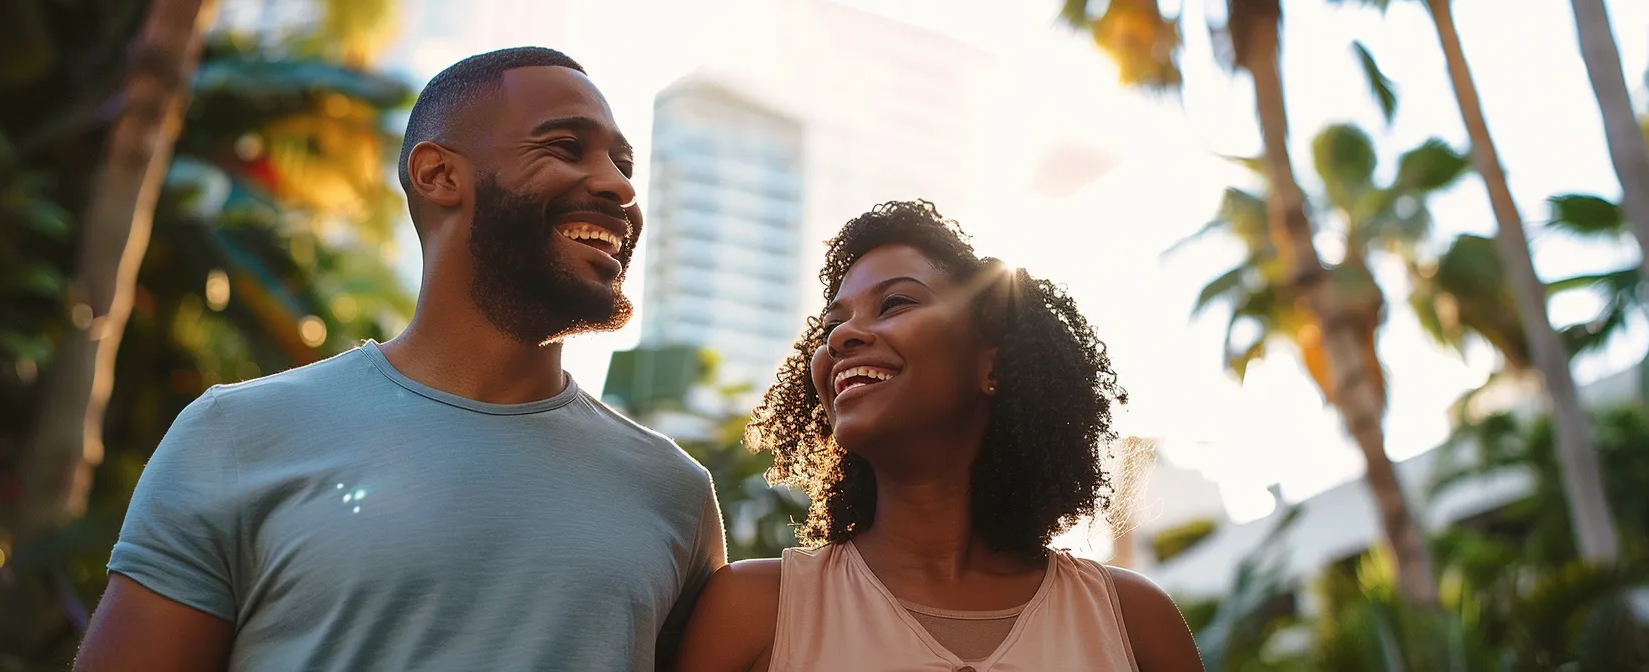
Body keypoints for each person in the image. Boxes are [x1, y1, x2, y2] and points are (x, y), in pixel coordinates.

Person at [75, 46, 726, 672]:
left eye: (624, 166)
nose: (618, 188)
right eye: (565, 147)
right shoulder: (234, 436)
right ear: (439, 175)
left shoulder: (676, 495)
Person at [675, 201, 1202, 671]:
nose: (840, 336)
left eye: (896, 303)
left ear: (990, 364)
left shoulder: (1135, 624)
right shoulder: (753, 610)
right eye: (832, 324)